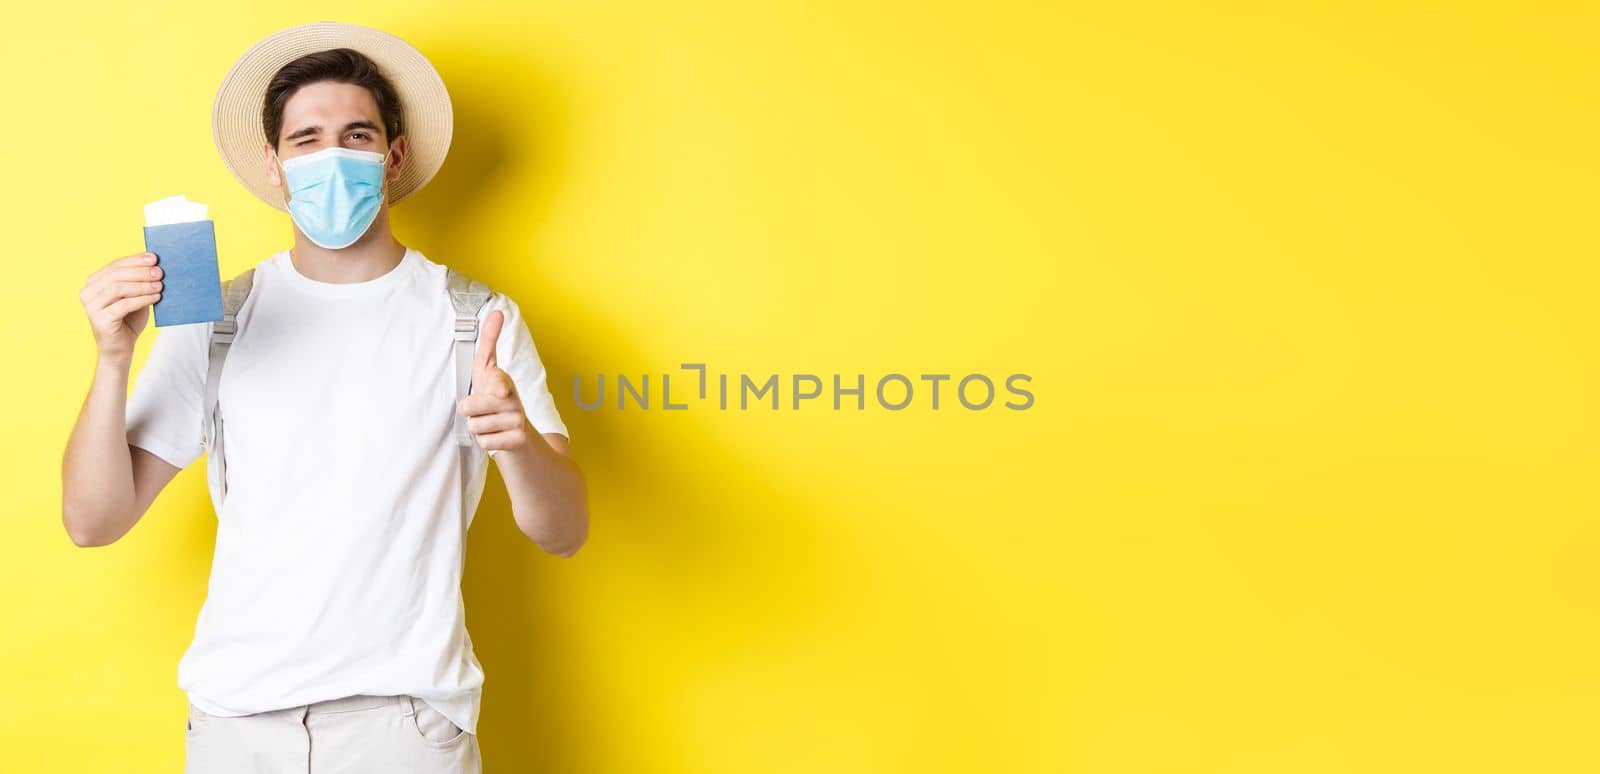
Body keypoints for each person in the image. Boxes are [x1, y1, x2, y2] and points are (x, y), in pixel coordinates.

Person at [59, 21, 588, 774]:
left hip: (407, 732)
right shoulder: (218, 319)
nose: (331, 157)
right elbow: (92, 520)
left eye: (357, 135)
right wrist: (113, 358)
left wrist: (517, 443)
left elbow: (564, 530)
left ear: (393, 156)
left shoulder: (477, 320)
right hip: (236, 728)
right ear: (275, 166)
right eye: (307, 140)